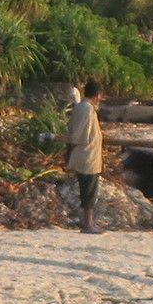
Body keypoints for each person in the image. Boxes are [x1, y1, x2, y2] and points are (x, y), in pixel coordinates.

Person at [63, 85, 107, 232]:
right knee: (89, 190)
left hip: (88, 155)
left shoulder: (83, 108)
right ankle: (87, 224)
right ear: (97, 95)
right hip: (87, 156)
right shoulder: (86, 109)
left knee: (88, 189)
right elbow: (76, 135)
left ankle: (89, 223)